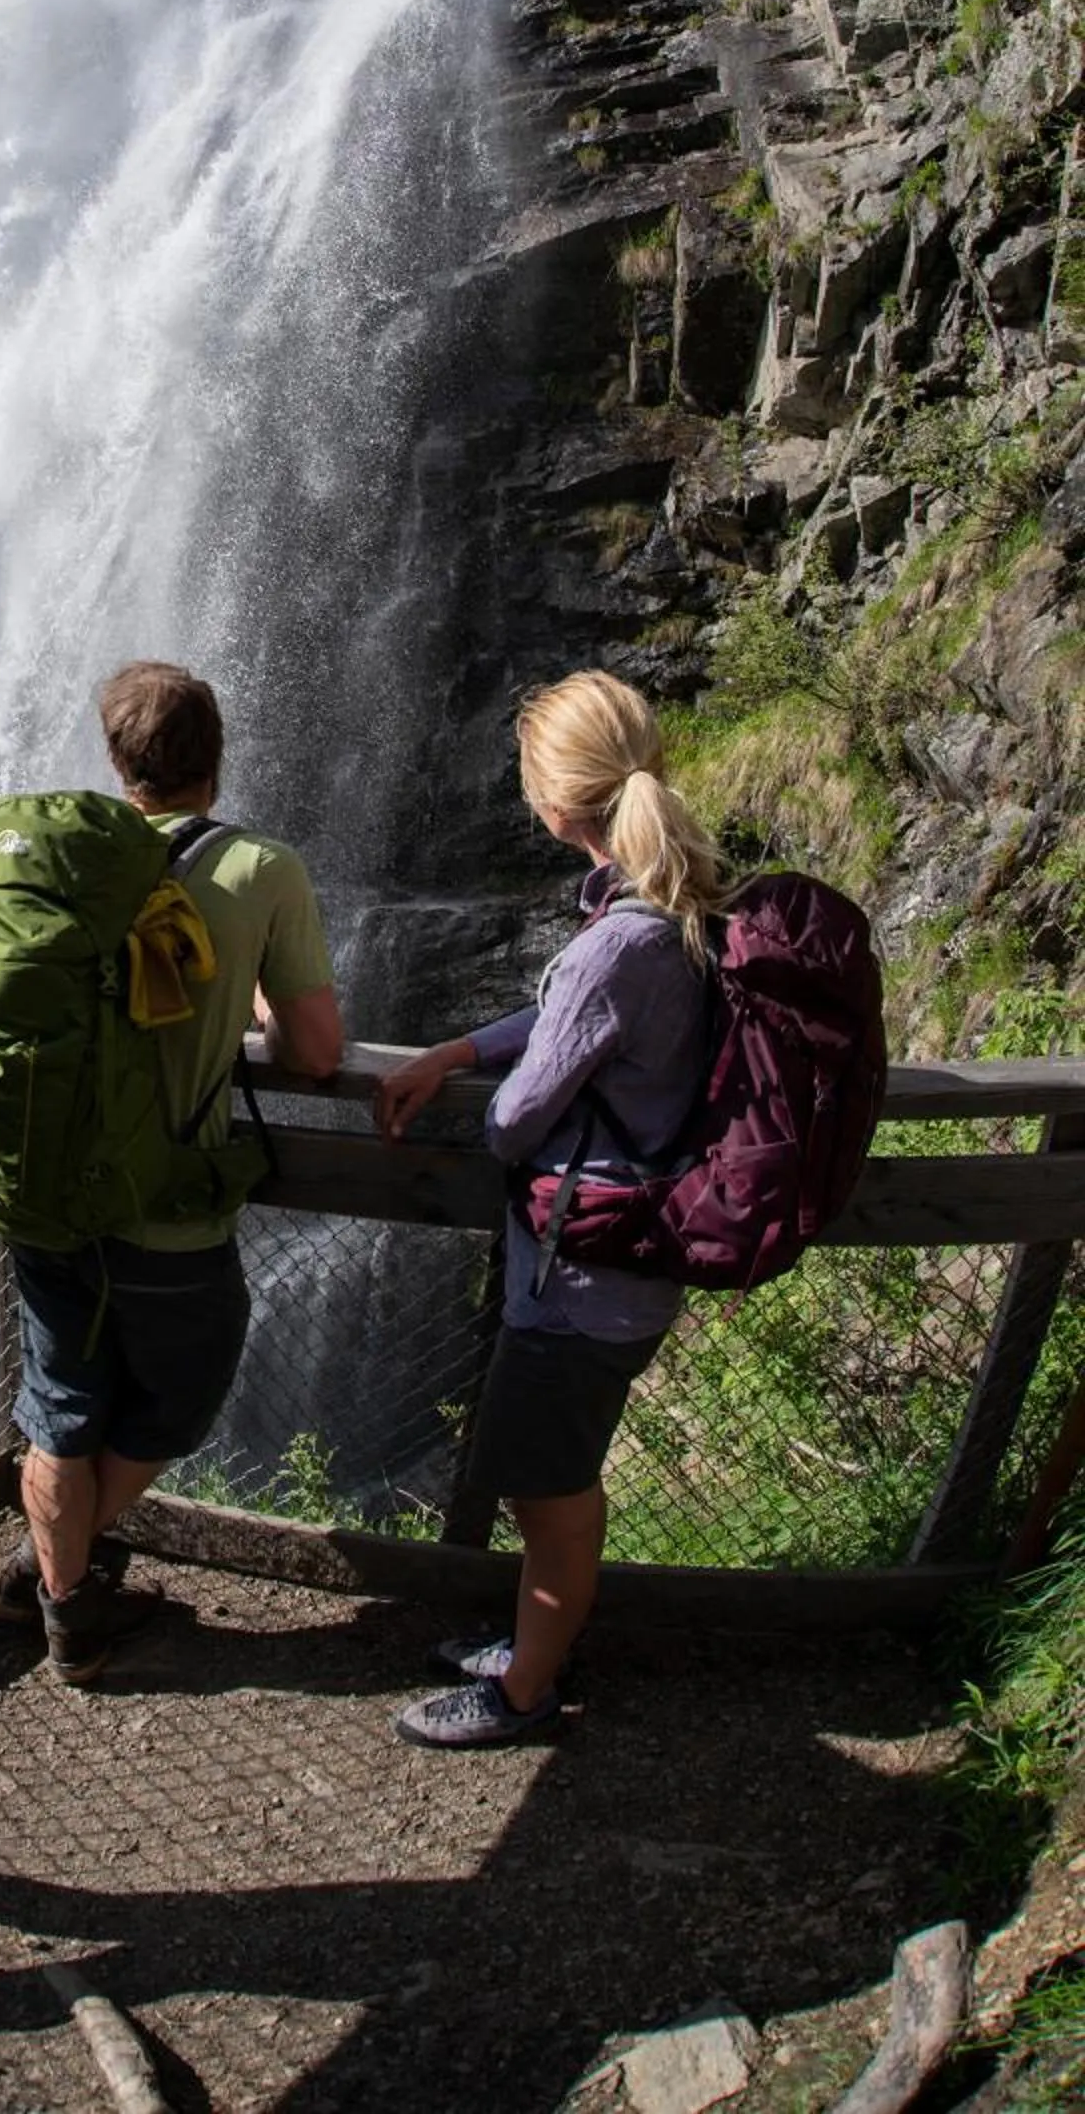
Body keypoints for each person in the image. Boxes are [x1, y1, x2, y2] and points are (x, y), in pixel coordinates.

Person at [0, 660, 346, 1685]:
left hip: (44, 1195)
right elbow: (317, 1052)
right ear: (217, 758)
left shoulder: (53, 861)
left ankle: (54, 1587)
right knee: (180, 1395)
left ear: (114, 760)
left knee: (59, 1406)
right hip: (166, 1207)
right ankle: (64, 1590)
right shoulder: (258, 869)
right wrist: (252, 1007)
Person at [374, 669, 723, 1747]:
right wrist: (459, 1048)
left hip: (579, 1278)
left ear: (552, 803)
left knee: (547, 1489)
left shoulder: (612, 943)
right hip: (627, 1265)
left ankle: (526, 1687)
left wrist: (487, 1094)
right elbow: (562, 1022)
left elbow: (516, 1119)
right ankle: (529, 1642)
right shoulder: (673, 903)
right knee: (549, 1474)